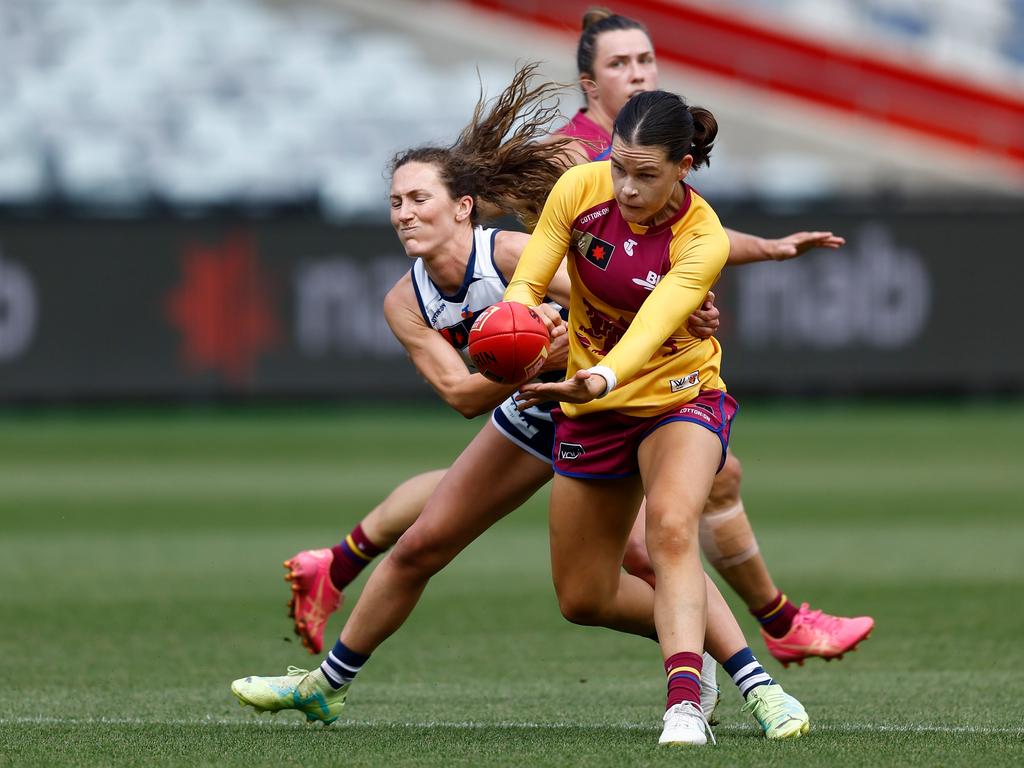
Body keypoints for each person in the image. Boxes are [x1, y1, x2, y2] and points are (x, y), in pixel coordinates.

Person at [231, 66, 808, 743]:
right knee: (502, 571)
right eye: (395, 202)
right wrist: (526, 351)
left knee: (666, 537)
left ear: (463, 207)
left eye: (419, 197)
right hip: (550, 403)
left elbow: (629, 311)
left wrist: (598, 358)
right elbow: (462, 389)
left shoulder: (507, 248)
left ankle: (738, 683)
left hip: (648, 389)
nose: (405, 213)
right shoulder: (406, 299)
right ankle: (324, 685)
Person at [285, 7, 872, 671]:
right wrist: (598, 323)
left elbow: (686, 238)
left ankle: (336, 562)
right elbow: (592, 268)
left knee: (662, 502)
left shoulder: (642, 151)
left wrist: (760, 252)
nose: (639, 72)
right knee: (651, 531)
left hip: (604, 369)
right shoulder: (578, 157)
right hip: (576, 372)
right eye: (621, 64)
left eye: (646, 60)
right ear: (590, 85)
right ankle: (755, 645)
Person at [503, 88, 807, 745]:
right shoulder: (580, 190)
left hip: (679, 394)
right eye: (619, 167)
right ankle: (703, 650)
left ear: (684, 168)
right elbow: (528, 282)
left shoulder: (703, 236)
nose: (626, 187)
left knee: (670, 527)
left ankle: (687, 704)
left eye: (645, 174)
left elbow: (652, 329)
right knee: (582, 597)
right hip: (594, 407)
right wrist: (514, 327)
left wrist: (598, 377)